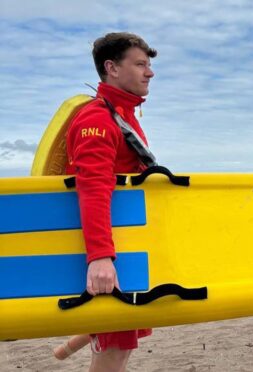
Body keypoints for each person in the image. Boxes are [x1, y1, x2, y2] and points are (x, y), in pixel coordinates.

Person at [59, 32, 157, 372]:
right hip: (109, 255)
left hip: (127, 251)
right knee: (114, 350)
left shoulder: (123, 114)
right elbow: (93, 188)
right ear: (111, 68)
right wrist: (100, 257)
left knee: (120, 347)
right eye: (141, 64)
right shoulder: (98, 118)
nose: (150, 73)